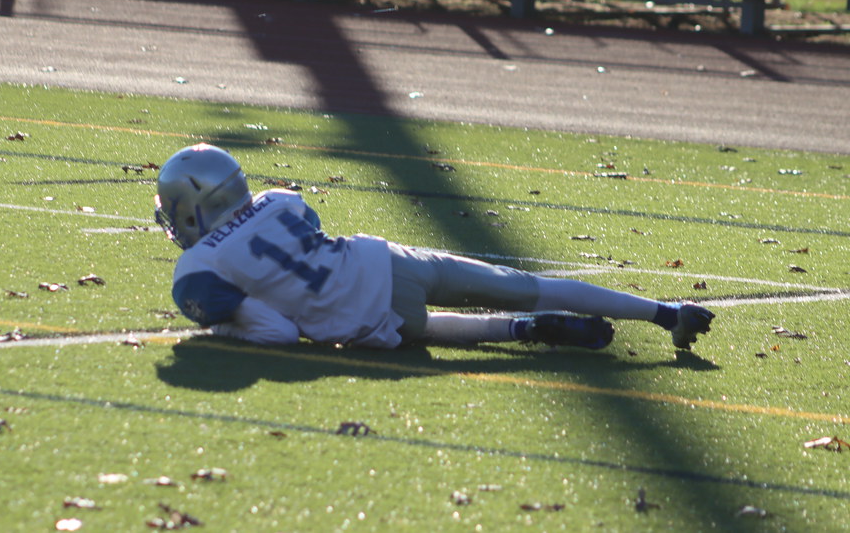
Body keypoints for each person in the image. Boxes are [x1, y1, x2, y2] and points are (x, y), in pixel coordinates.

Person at [154, 143, 714, 351]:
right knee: (529, 287)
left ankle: (517, 331)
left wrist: (217, 329)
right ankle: (668, 313)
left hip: (367, 321)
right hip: (387, 259)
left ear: (192, 207)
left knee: (414, 329)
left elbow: (275, 332)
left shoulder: (197, 267)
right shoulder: (281, 200)